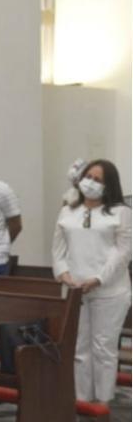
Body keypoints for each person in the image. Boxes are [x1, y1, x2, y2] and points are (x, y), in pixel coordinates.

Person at [52, 159, 132, 403]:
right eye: (88, 177)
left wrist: (98, 278)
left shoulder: (121, 212)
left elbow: (123, 251)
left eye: (98, 180)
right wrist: (63, 273)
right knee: (79, 349)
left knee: (104, 349)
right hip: (75, 289)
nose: (91, 183)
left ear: (109, 185)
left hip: (110, 291)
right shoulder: (68, 210)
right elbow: (58, 248)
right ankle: (82, 402)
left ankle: (102, 406)